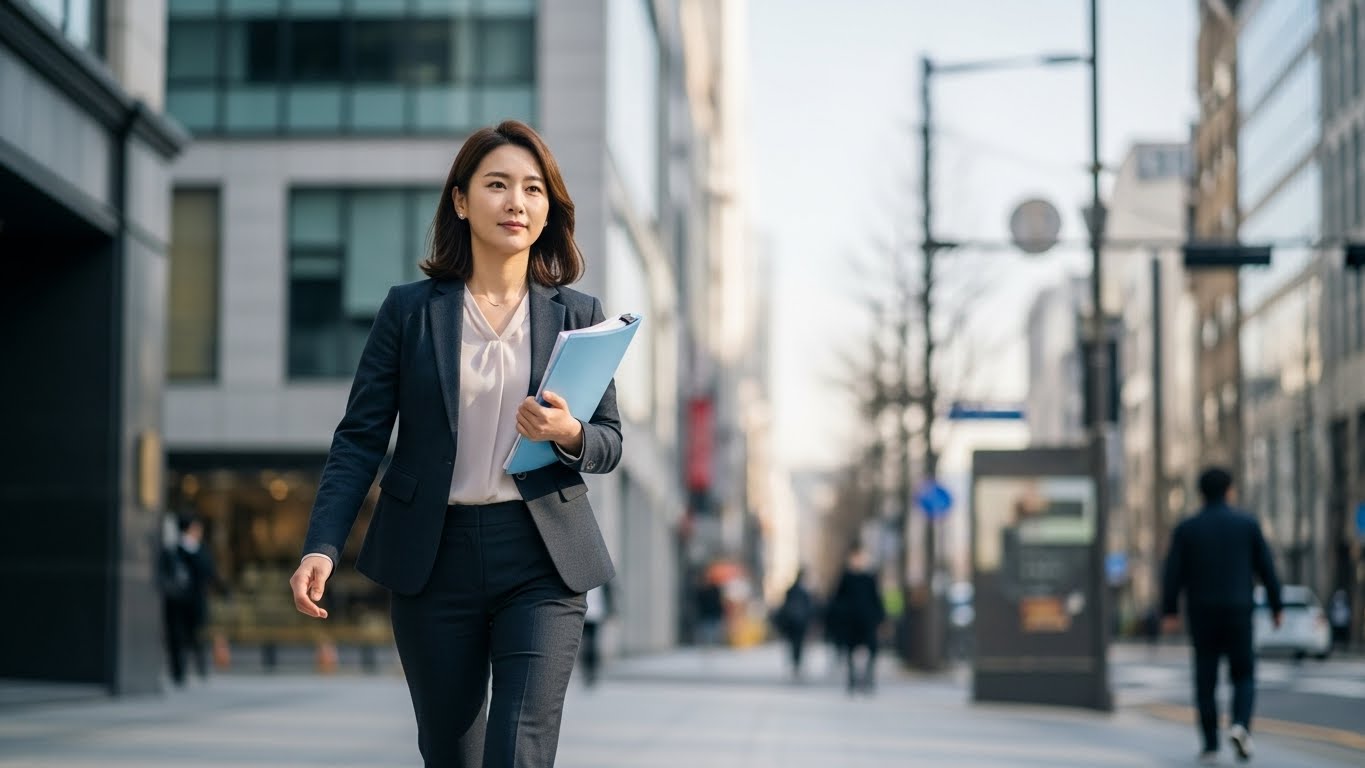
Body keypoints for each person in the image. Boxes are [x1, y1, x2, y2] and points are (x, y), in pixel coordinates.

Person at [288, 120, 623, 768]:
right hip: (432, 555)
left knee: (519, 750)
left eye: (532, 189)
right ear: (462, 201)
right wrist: (322, 545)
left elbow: (609, 441)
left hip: (542, 558)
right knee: (451, 754)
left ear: (548, 209)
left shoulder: (578, 315)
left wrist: (569, 433)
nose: (516, 202)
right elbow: (359, 439)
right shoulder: (409, 311)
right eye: (497, 185)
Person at [1162, 467, 1282, 765]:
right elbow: (1266, 568)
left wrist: (1169, 610)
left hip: (1202, 612)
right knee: (1243, 674)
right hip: (1239, 610)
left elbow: (1172, 573)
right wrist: (1276, 605)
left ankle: (1210, 744)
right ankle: (1240, 725)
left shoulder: (1187, 528)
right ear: (1229, 491)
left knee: (1206, 678)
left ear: (1201, 494)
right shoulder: (1247, 524)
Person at [160, 514, 216, 687]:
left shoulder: (200, 549)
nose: (199, 531)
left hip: (194, 601)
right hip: (177, 602)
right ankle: (179, 672)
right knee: (177, 637)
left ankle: (200, 668)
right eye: (196, 527)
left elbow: (209, 572)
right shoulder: (173, 549)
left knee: (195, 635)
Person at [829, 545, 885, 695]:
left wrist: (880, 618)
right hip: (850, 622)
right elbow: (837, 600)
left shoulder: (869, 578)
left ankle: (868, 678)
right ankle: (852, 679)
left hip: (867, 620)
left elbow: (876, 599)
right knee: (850, 651)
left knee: (872, 649)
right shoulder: (846, 578)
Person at [775, 569, 815, 680]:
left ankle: (795, 663)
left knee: (794, 644)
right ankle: (797, 664)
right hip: (799, 622)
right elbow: (809, 608)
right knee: (798, 644)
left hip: (793, 622)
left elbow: (785, 606)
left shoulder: (791, 590)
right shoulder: (804, 592)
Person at [579, 581, 614, 688]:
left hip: (596, 614)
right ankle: (587, 671)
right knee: (585, 644)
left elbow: (608, 593)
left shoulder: (601, 579)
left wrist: (611, 611)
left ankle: (591, 671)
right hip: (582, 614)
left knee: (592, 645)